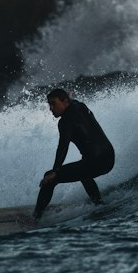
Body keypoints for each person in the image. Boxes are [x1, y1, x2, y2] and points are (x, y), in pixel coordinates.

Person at [34, 87, 115, 220]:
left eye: (54, 104)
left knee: (49, 178)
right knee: (83, 171)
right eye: (49, 104)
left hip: (95, 163)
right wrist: (68, 96)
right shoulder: (80, 106)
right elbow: (72, 101)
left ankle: (36, 217)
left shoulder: (65, 121)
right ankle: (98, 203)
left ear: (65, 101)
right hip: (109, 158)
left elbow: (63, 147)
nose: (51, 109)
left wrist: (55, 171)